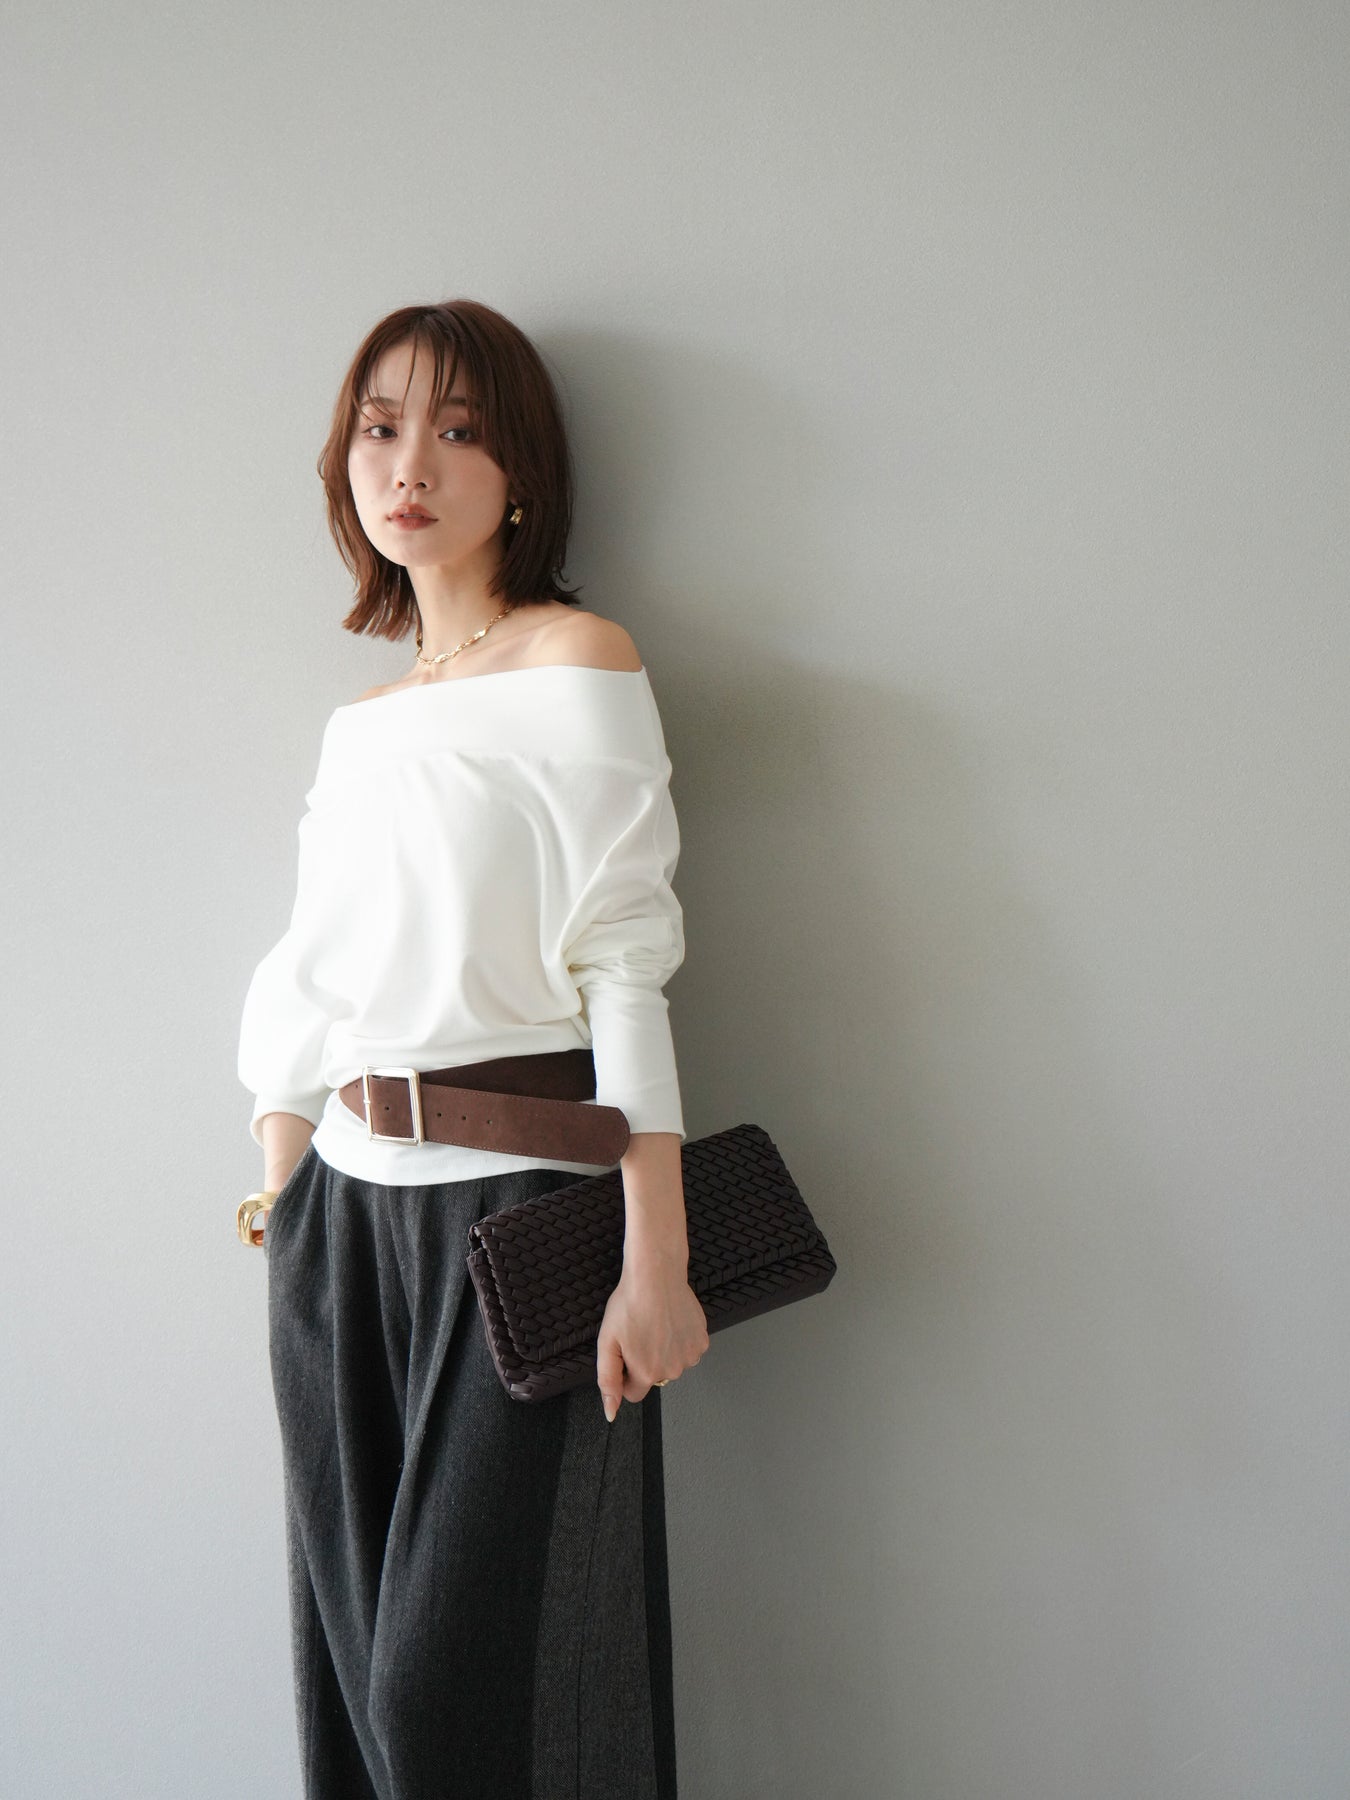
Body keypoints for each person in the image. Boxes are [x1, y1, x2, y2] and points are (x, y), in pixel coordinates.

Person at [236, 297, 708, 1800]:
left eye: (456, 429)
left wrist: (656, 1259)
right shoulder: (362, 723)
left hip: (523, 1212)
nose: (410, 465)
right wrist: (285, 1196)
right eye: (380, 429)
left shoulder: (579, 658)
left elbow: (624, 959)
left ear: (521, 473)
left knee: (470, 1696)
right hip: (339, 1222)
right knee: (357, 1685)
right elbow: (306, 978)